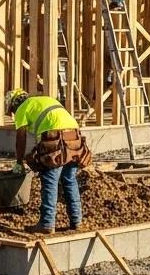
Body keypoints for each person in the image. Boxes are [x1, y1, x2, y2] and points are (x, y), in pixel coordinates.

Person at [6, 88, 91, 234]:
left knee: (50, 180)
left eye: (12, 111)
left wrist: (19, 161)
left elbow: (21, 138)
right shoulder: (44, 100)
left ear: (14, 105)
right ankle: (77, 221)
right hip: (74, 138)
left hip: (55, 139)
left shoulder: (22, 109)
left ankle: (46, 224)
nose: (14, 114)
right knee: (69, 179)